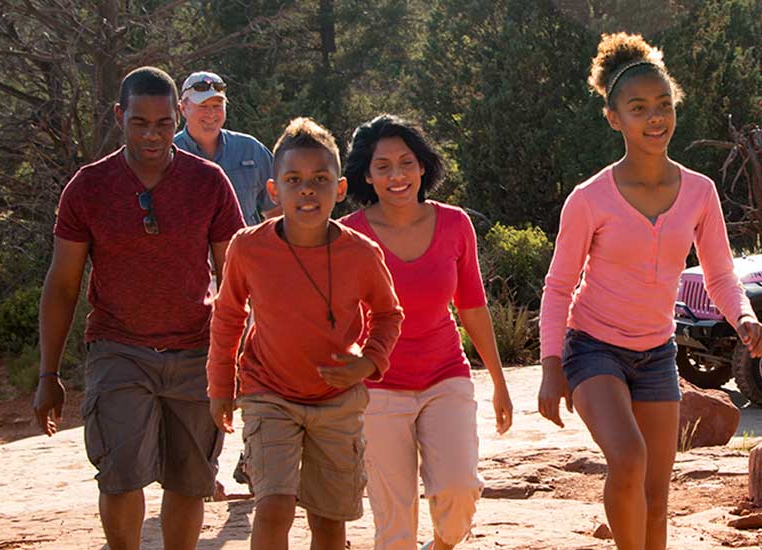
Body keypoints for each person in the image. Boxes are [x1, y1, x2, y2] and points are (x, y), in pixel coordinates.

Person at [535, 33, 762, 550]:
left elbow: (721, 276)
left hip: (656, 355)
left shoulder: (699, 192)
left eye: (664, 105)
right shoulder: (588, 200)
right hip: (592, 349)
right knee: (628, 457)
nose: (655, 118)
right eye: (638, 108)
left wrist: (744, 318)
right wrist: (551, 367)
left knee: (657, 494)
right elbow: (557, 289)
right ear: (613, 117)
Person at [31, 66, 244, 550]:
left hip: (194, 349)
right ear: (119, 116)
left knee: (190, 479)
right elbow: (63, 284)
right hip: (118, 348)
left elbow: (234, 279)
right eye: (140, 123)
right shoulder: (88, 187)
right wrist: (48, 374)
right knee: (120, 473)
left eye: (164, 124)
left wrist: (235, 360)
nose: (152, 135)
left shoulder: (208, 182)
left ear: (178, 120)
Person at [207, 117, 404, 550]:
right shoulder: (248, 247)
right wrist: (221, 386)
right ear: (274, 190)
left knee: (329, 521)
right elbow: (227, 318)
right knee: (274, 506)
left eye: (320, 179)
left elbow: (389, 314)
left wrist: (368, 361)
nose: (307, 189)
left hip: (337, 403)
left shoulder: (361, 252)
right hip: (268, 394)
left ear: (340, 187)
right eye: (294, 179)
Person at [340, 114, 514, 550]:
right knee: (394, 526)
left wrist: (498, 382)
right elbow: (338, 322)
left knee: (458, 493)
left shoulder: (455, 224)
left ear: (423, 167)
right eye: (383, 166)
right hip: (378, 388)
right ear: (366, 174)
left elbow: (472, 306)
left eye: (406, 162)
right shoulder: (348, 236)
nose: (397, 175)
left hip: (445, 377)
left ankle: (442, 544)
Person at [176, 71, 279, 224]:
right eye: (203, 106)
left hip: (245, 247)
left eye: (217, 106)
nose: (211, 113)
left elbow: (277, 209)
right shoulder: (168, 154)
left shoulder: (250, 149)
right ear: (183, 108)